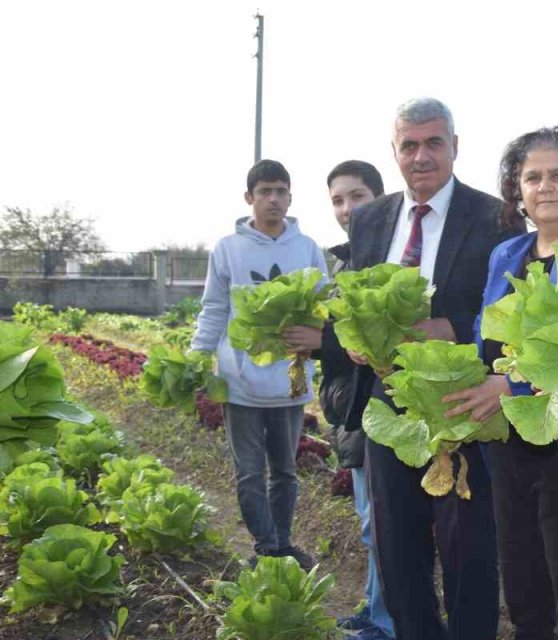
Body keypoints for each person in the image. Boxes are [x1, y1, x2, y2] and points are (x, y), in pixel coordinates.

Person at [342, 97, 522, 640]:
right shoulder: (370, 219)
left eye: (433, 143)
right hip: (388, 405)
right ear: (395, 152)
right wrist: (354, 340)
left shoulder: (496, 217)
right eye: (409, 145)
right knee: (396, 551)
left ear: (455, 147)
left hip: (460, 402)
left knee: (468, 549)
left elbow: (511, 305)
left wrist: (451, 326)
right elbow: (355, 298)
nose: (422, 156)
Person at [443, 125, 558, 640]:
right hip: (509, 447)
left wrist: (515, 390)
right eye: (533, 177)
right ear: (516, 189)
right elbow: (485, 343)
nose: (545, 187)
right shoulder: (506, 255)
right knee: (521, 586)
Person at [190, 159, 329, 570]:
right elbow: (214, 308)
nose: (273, 199)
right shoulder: (228, 249)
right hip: (240, 381)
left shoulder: (306, 248)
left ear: (290, 197)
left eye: (281, 191)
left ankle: (282, 542)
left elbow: (323, 305)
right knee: (249, 473)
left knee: (284, 471)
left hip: (289, 379)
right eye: (265, 191)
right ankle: (266, 547)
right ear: (249, 198)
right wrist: (200, 356)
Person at [282, 160, 392, 640]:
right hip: (351, 408)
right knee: (371, 521)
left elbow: (371, 340)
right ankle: (375, 607)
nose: (347, 209)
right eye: (338, 200)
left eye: (358, 197)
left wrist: (322, 339)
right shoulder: (343, 262)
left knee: (382, 525)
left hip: (378, 410)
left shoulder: (387, 262)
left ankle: (386, 621)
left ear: (382, 200)